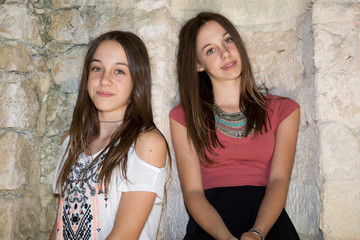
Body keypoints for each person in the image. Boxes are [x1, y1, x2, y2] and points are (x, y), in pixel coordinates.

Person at [170, 12, 300, 240]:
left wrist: (257, 233)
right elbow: (192, 192)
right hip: (211, 223)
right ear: (198, 65)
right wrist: (225, 237)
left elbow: (279, 180)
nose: (225, 53)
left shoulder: (284, 110)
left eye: (228, 40)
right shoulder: (183, 117)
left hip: (267, 221)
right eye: (210, 50)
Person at [49, 31, 170, 240]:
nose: (105, 80)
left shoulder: (147, 143)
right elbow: (59, 225)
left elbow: (125, 235)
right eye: (97, 68)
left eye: (119, 71)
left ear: (137, 79)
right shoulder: (70, 141)